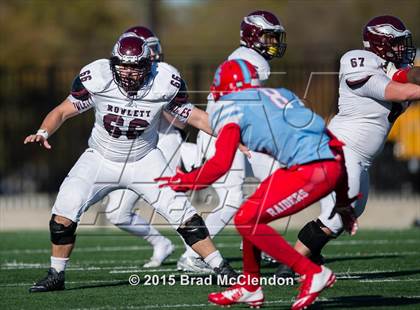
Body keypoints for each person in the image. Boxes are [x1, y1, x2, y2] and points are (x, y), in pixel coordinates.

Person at [25, 35, 237, 293]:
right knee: (62, 217)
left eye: (135, 66)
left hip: (144, 158)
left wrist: (233, 137)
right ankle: (56, 274)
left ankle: (221, 268)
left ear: (148, 64)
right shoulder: (97, 76)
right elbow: (62, 111)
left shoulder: (164, 82)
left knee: (183, 214)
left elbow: (197, 118)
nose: (128, 72)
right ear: (114, 63)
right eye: (123, 65)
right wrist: (44, 131)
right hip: (100, 157)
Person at [156, 59, 357, 310]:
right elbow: (331, 142)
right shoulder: (281, 95)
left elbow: (220, 164)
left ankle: (311, 272)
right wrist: (344, 201)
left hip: (311, 169)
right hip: (332, 164)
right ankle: (251, 287)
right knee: (249, 214)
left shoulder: (230, 106)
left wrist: (185, 181)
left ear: (223, 86)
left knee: (246, 220)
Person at [275, 15, 420, 278]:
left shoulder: (388, 65)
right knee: (339, 216)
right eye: (397, 43)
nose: (402, 48)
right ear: (380, 43)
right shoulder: (357, 62)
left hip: (359, 157)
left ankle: (307, 255)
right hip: (342, 149)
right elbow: (400, 92)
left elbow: (409, 75)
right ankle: (290, 265)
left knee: (347, 214)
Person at [177, 9, 287, 272]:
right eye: (268, 38)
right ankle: (192, 255)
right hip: (224, 132)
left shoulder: (249, 59)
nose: (273, 44)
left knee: (274, 179)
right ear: (253, 37)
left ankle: (255, 241)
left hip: (235, 129)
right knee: (232, 199)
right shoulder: (251, 62)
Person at [104, 26, 180, 269]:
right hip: (133, 149)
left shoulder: (165, 77)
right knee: (116, 213)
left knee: (173, 203)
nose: (156, 55)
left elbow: (181, 120)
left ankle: (197, 253)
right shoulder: (116, 80)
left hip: (165, 144)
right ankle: (161, 243)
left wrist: (161, 101)